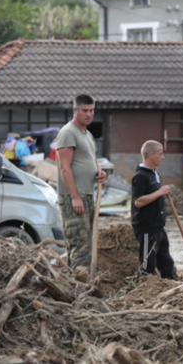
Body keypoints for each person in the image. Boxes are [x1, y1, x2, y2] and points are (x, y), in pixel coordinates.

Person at [55, 94, 107, 279]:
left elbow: (92, 160)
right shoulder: (68, 132)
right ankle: (80, 290)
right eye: (84, 110)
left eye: (91, 110)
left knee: (87, 242)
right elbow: (64, 168)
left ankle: (73, 285)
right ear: (75, 110)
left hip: (87, 195)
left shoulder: (88, 134)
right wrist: (75, 196)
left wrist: (99, 172)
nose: (89, 114)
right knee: (80, 243)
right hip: (73, 198)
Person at [131, 140, 176, 280]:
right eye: (160, 154)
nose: (163, 157)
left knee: (167, 263)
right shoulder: (140, 176)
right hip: (146, 228)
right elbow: (138, 202)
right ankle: (143, 292)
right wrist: (159, 193)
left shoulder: (154, 174)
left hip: (158, 227)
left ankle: (171, 289)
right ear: (151, 155)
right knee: (147, 266)